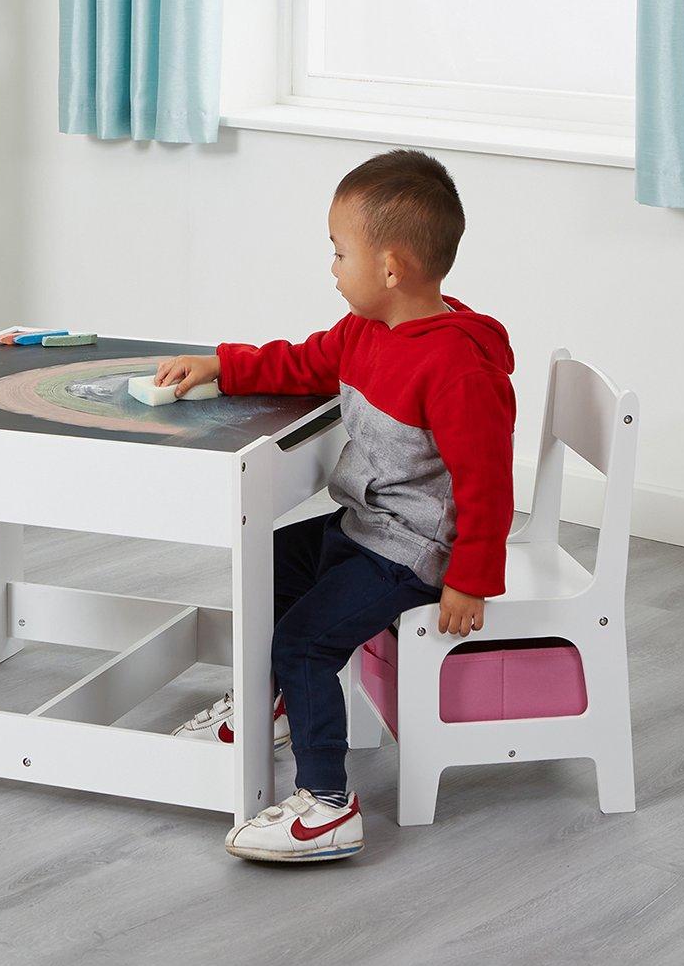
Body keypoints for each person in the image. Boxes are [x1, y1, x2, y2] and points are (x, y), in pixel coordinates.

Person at [157, 150, 515, 865]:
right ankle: (276, 704)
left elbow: (489, 482)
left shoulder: (455, 366)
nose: (331, 266)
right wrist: (223, 364)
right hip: (364, 527)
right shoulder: (366, 330)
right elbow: (304, 361)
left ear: (389, 268)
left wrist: (470, 578)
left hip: (412, 551)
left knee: (305, 641)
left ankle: (327, 806)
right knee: (264, 569)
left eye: (338, 251)